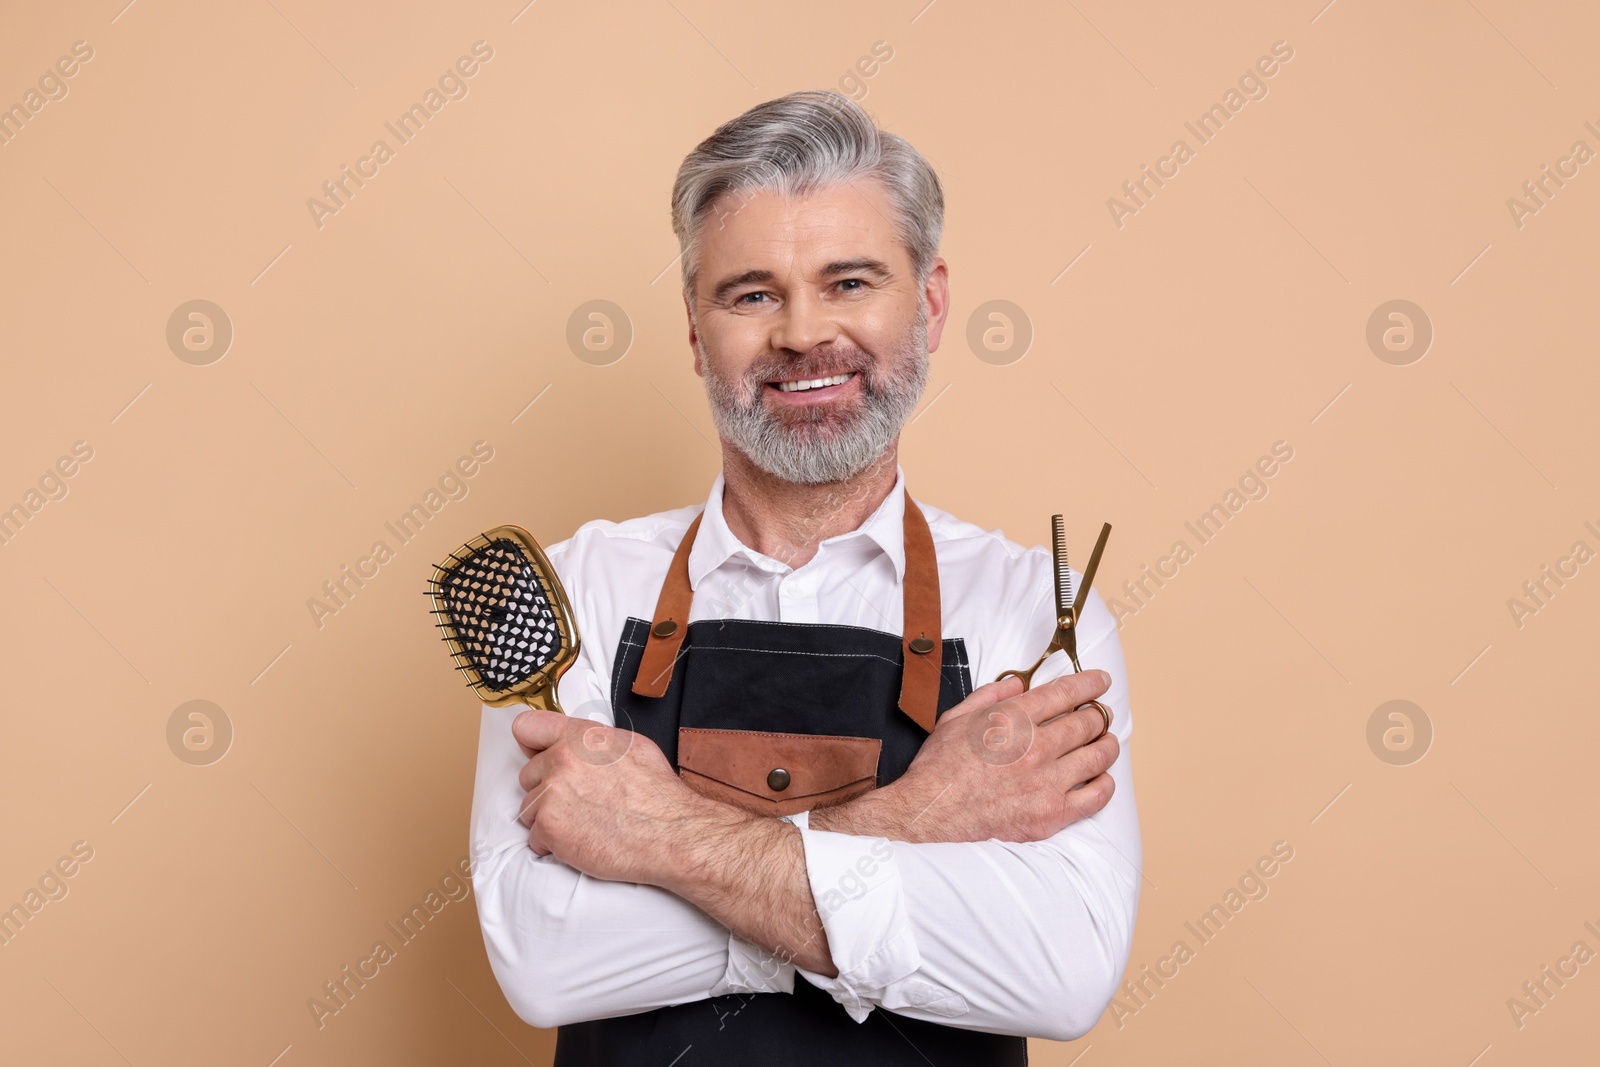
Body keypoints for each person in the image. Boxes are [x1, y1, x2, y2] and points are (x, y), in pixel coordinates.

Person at [469, 89, 1140, 1066]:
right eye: (751, 293)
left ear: (932, 302)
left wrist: (667, 844)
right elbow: (548, 956)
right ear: (696, 331)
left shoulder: (1033, 609)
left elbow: (1060, 966)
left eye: (848, 281)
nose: (799, 333)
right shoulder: (571, 594)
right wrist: (908, 820)